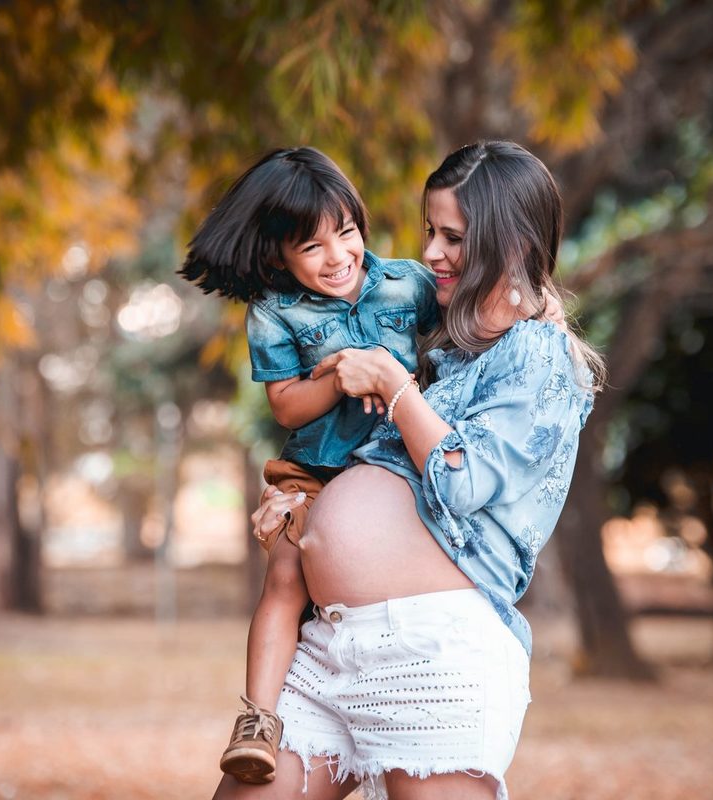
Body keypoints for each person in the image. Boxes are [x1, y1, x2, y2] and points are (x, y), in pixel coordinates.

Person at [213, 140, 605, 800]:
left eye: (453, 237)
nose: (429, 253)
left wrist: (397, 388)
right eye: (430, 231)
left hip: (429, 654)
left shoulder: (540, 359)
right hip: (328, 642)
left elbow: (466, 481)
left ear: (511, 242)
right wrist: (302, 506)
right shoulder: (445, 350)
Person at [179, 147, 439, 784]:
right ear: (278, 256)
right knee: (287, 578)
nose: (337, 257)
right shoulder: (275, 312)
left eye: (346, 233)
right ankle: (258, 722)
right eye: (312, 247)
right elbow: (288, 406)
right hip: (314, 474)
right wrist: (344, 377)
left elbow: (461, 334)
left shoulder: (410, 283)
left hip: (392, 471)